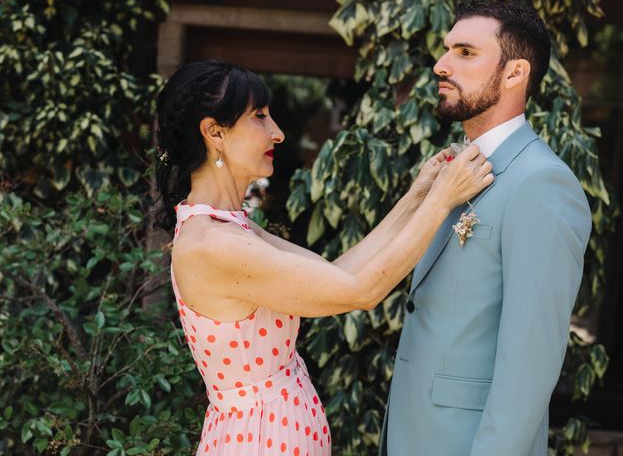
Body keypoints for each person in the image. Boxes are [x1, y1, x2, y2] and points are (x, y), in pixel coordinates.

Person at [154, 59, 493, 455]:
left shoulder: (225, 225)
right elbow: (359, 291)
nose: (277, 133)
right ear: (214, 132)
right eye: (260, 117)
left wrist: (418, 194)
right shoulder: (213, 243)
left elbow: (334, 273)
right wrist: (441, 200)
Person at [380, 0, 593, 456]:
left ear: (515, 73)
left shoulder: (541, 183)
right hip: (414, 434)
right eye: (446, 50)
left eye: (465, 52)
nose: (441, 65)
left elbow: (529, 365)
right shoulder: (452, 167)